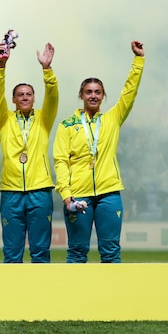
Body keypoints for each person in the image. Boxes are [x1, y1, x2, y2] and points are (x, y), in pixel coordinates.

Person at [53, 40, 145, 263]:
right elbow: (60, 162)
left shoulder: (112, 119)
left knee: (111, 251)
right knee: (76, 251)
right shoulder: (67, 125)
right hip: (78, 195)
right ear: (81, 95)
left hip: (109, 194)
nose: (93, 96)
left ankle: (113, 298)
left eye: (97, 92)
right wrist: (66, 196)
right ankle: (75, 298)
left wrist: (138, 61)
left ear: (103, 96)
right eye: (88, 92)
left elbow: (129, 93)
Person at [0, 41, 57, 263]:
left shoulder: (44, 119)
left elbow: (53, 97)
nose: (25, 97)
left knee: (40, 251)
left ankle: (41, 295)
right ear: (13, 100)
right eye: (20, 94)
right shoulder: (5, 119)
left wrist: (47, 70)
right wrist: (1, 65)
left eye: (29, 94)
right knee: (11, 252)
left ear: (34, 98)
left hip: (40, 189)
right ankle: (11, 296)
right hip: (11, 191)